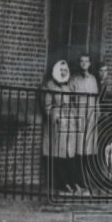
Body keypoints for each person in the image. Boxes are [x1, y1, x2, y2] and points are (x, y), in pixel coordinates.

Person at [41, 59, 80, 195]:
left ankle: (71, 182)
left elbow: (72, 103)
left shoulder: (67, 86)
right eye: (61, 70)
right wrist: (56, 117)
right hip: (58, 123)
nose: (63, 72)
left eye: (65, 70)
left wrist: (74, 117)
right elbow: (47, 106)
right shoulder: (50, 86)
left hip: (69, 122)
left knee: (69, 154)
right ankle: (62, 183)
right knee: (58, 153)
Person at [70, 53, 100, 194]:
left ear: (89, 64)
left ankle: (85, 179)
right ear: (79, 63)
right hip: (78, 120)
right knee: (78, 152)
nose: (83, 64)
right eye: (81, 61)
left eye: (86, 61)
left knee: (88, 151)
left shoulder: (93, 80)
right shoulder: (74, 80)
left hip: (91, 120)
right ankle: (77, 180)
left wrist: (97, 115)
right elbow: (69, 100)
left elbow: (96, 100)